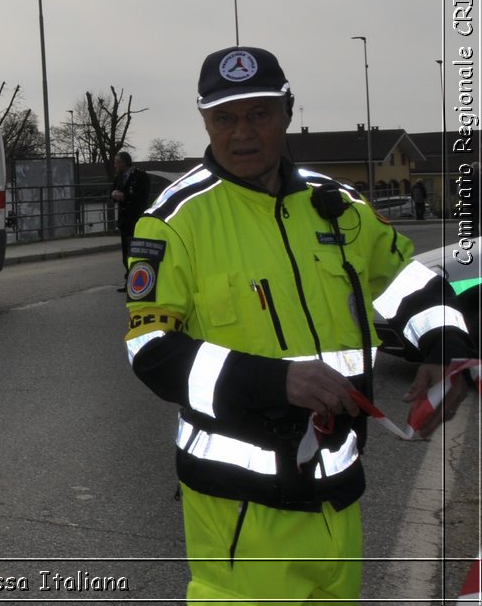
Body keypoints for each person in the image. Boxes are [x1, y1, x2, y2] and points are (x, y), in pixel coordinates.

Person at [124, 47, 475, 601]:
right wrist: (276, 381)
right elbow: (152, 352)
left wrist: (448, 346)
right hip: (240, 511)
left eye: (259, 114)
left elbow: (409, 282)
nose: (242, 133)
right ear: (205, 122)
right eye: (224, 118)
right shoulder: (174, 220)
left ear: (287, 112)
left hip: (338, 493)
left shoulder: (336, 203)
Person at [110, 150, 151, 291]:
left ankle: (140, 283)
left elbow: (143, 195)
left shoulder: (140, 176)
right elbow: (114, 193)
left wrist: (125, 196)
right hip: (124, 221)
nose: (115, 165)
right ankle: (129, 282)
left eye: (117, 162)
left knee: (137, 252)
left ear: (123, 162)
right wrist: (114, 195)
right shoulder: (119, 177)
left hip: (136, 219)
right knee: (126, 254)